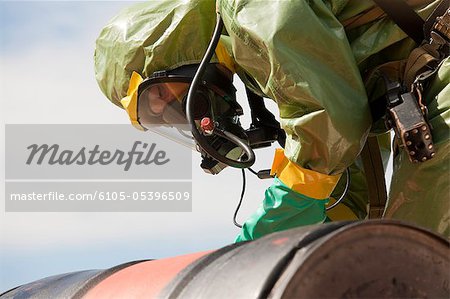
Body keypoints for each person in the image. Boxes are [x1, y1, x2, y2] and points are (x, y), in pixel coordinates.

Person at [94, 0, 449, 241]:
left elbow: (331, 122)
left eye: (159, 98)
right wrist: (314, 235)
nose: (173, 109)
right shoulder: (246, 55)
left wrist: (274, 224)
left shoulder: (250, 9)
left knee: (419, 244)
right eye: (159, 117)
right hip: (436, 76)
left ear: (166, 46)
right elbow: (344, 165)